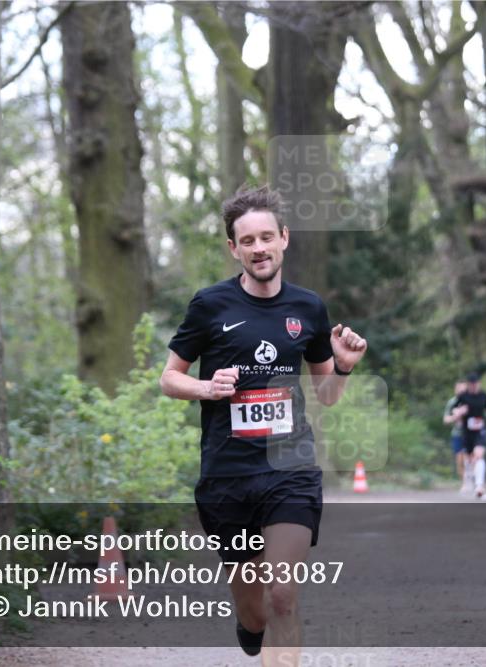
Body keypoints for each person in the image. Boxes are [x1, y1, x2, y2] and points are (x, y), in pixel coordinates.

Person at [159, 185, 367, 665]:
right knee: (255, 614)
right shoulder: (210, 305)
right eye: (247, 241)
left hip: (289, 470)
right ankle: (247, 625)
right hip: (227, 474)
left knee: (281, 598)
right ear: (234, 248)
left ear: (284, 239)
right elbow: (170, 379)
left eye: (266, 237)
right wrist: (208, 388)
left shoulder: (308, 308)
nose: (259, 248)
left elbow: (327, 395)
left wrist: (345, 365)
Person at [450, 373, 486, 498]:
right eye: (471, 384)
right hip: (467, 431)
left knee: (478, 455)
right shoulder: (463, 396)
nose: (473, 386)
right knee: (468, 459)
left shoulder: (484, 395)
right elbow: (454, 410)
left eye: (475, 384)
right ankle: (468, 480)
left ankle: (479, 486)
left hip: (480, 430)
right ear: (468, 384)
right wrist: (459, 412)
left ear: (479, 384)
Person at [443, 379, 468, 492]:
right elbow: (446, 420)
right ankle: (465, 482)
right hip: (457, 434)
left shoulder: (471, 401)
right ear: (455, 390)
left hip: (470, 435)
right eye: (459, 389)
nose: (461, 392)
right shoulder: (452, 402)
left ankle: (471, 482)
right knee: (459, 461)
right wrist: (455, 417)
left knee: (468, 458)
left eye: (463, 389)